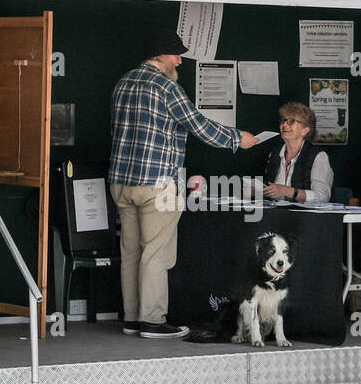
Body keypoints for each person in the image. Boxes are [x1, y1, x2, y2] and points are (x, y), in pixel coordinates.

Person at [109, 30, 258, 339]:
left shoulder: (123, 82)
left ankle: (133, 318)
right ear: (160, 55)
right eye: (176, 54)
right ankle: (152, 320)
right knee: (155, 254)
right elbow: (198, 125)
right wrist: (237, 138)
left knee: (132, 253)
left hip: (121, 182)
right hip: (156, 183)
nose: (180, 60)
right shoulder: (166, 87)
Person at [261, 102, 333, 203]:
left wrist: (288, 191)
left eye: (291, 121)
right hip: (276, 214)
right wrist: (260, 191)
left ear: (305, 130)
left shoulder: (319, 156)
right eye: (284, 120)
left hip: (305, 217)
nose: (284, 124)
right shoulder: (274, 154)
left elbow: (322, 197)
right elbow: (271, 189)